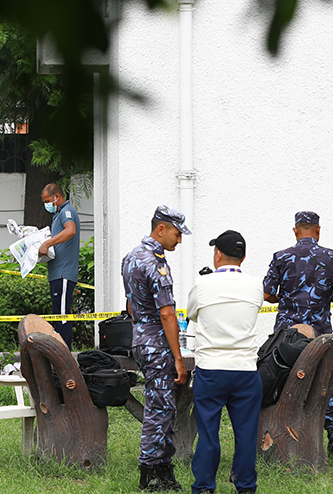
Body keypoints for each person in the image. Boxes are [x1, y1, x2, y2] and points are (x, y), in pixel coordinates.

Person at [262, 210, 333, 460]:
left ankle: (278, 435)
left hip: (287, 333)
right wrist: (323, 299)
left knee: (281, 378)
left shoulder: (281, 257)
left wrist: (288, 299)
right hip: (319, 331)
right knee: (324, 383)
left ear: (295, 230)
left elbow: (267, 294)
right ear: (318, 231)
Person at [188, 230, 264, 494]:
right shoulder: (256, 285)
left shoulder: (202, 284)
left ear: (217, 253)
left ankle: (205, 487)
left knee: (208, 433)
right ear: (243, 257)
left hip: (211, 368)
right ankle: (245, 486)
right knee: (246, 435)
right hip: (245, 369)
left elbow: (192, 314)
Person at [123, 205, 191, 491]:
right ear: (161, 229)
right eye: (177, 234)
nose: (179, 240)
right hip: (157, 343)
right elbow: (166, 313)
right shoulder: (155, 262)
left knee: (162, 405)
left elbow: (129, 304)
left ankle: (163, 469)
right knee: (160, 409)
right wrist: (178, 358)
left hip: (140, 339)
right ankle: (149, 470)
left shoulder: (130, 257)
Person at [37, 183, 81, 348]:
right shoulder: (57, 215)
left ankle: (65, 358)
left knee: (62, 317)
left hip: (64, 273)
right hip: (57, 273)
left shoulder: (66, 212)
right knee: (58, 316)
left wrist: (47, 244)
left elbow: (70, 230)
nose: (46, 205)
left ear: (57, 196)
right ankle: (61, 357)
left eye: (48, 200)